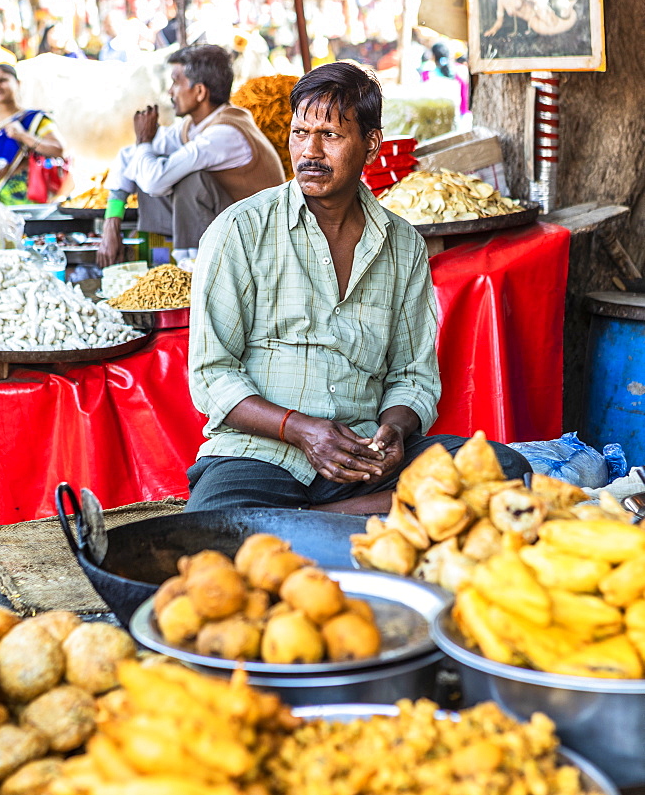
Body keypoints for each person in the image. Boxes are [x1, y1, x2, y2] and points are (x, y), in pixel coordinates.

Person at [185, 61, 530, 514]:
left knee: (504, 468)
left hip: (361, 457)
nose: (309, 151)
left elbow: (412, 375)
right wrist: (301, 429)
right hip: (261, 455)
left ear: (370, 145)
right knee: (212, 529)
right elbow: (211, 375)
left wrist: (394, 432)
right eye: (299, 133)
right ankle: (364, 514)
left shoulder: (402, 243)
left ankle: (311, 521)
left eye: (329, 135)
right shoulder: (240, 230)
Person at [97, 44, 285, 268]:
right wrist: (111, 224)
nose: (170, 92)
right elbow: (128, 156)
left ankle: (193, 267)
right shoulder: (192, 127)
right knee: (145, 159)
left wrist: (145, 142)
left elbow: (154, 182)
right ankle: (183, 261)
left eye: (176, 82)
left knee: (188, 179)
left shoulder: (225, 134)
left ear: (199, 92)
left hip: (256, 243)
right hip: (227, 231)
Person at [0, 63, 66, 205]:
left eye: (3, 80)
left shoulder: (35, 119)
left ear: (17, 83)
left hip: (32, 194)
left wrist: (23, 136)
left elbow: (59, 149)